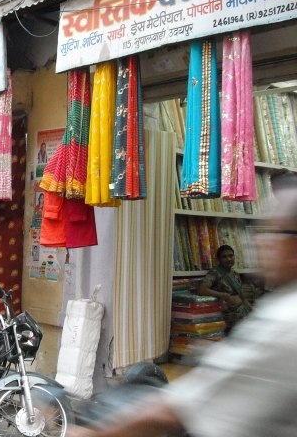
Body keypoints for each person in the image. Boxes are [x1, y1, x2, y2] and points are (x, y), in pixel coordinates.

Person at [67, 173, 297, 437]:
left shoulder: (284, 323)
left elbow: (178, 408)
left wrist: (97, 434)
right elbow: (204, 290)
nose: (262, 243)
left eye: (274, 232)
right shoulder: (272, 306)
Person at [197, 244, 253, 330]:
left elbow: (243, 298)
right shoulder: (215, 273)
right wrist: (224, 296)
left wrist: (253, 311)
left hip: (239, 311)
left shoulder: (235, 275)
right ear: (219, 259)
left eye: (231, 256)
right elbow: (202, 289)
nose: (228, 259)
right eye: (224, 257)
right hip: (224, 315)